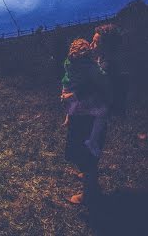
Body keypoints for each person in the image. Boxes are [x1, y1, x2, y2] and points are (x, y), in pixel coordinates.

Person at [63, 39, 110, 205]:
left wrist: (71, 96)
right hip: (83, 112)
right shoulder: (93, 65)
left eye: (96, 41)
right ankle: (88, 176)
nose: (92, 43)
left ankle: (89, 193)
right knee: (82, 151)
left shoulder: (102, 67)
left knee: (84, 153)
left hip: (87, 115)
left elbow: (91, 87)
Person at [61, 39, 109, 157]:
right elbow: (100, 77)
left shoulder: (69, 65)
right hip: (84, 100)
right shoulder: (89, 67)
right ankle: (92, 141)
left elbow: (66, 80)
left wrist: (65, 90)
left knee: (72, 110)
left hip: (72, 101)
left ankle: (68, 116)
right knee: (102, 113)